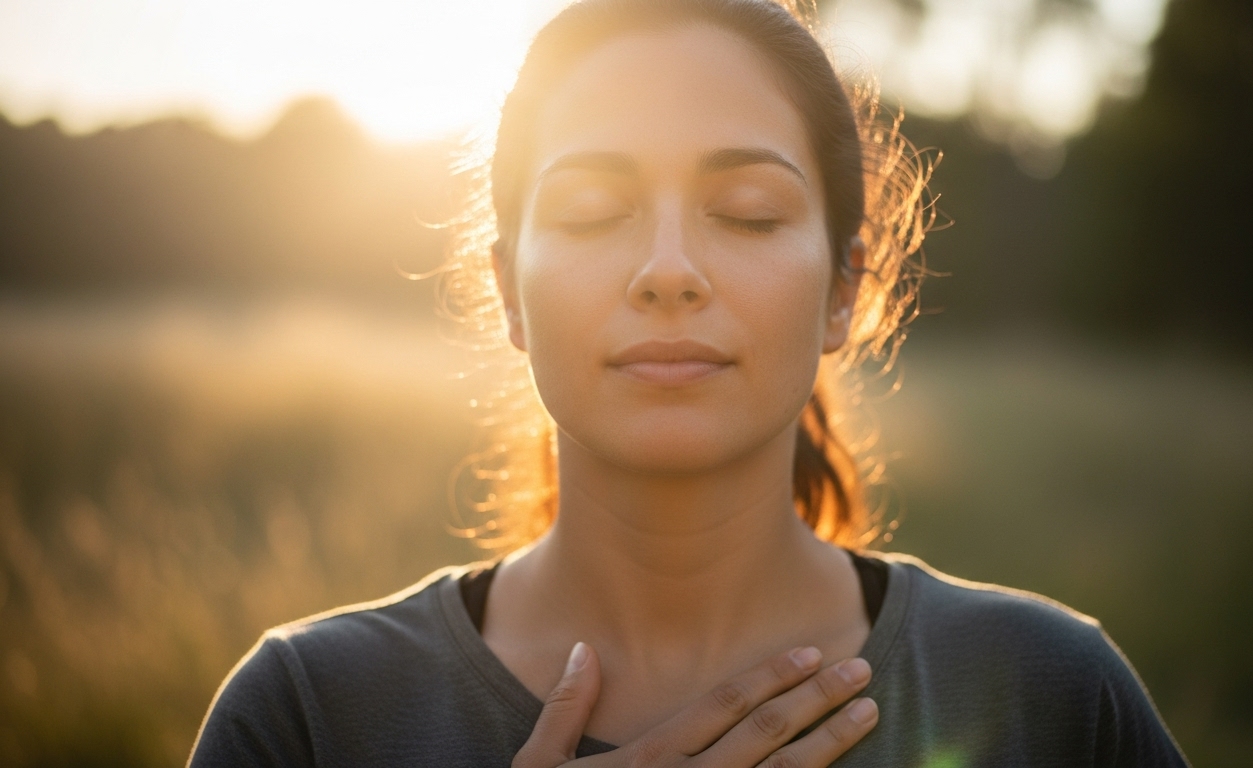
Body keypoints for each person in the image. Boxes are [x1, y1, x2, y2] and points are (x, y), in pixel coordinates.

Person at [189, 0, 1189, 765]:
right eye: (592, 211)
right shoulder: (307, 714)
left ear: (843, 291)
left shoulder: (1048, 695)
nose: (667, 271)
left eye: (747, 211)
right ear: (509, 292)